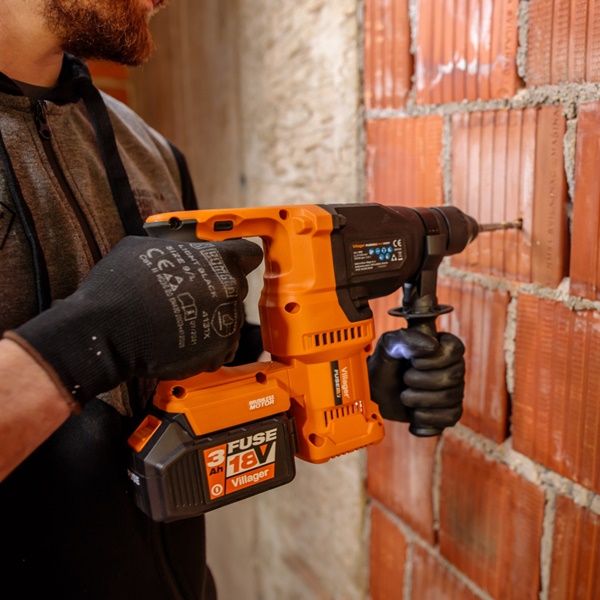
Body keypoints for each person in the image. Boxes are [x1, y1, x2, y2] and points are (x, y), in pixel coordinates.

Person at [0, 1, 464, 598]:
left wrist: (343, 381)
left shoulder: (148, 149)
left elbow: (186, 358)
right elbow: (118, 329)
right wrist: (90, 340)